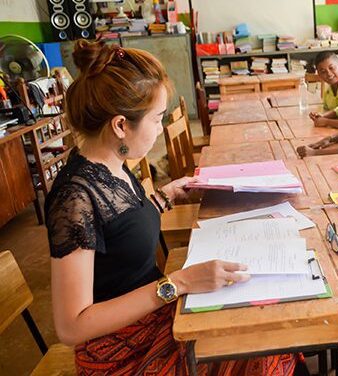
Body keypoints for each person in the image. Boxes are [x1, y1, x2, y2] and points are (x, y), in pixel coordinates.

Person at [45, 40, 304, 375]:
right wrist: (177, 284)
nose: (159, 128)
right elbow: (72, 326)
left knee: (266, 330)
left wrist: (166, 195)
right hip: (121, 349)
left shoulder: (114, 164)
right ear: (121, 125)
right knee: (262, 347)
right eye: (156, 119)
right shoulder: (74, 197)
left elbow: (120, 229)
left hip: (157, 311)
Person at [308, 51, 338, 129]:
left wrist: (325, 121)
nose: (328, 73)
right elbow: (337, 111)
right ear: (318, 74)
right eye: (323, 71)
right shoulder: (327, 92)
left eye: (331, 68)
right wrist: (320, 115)